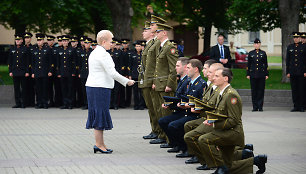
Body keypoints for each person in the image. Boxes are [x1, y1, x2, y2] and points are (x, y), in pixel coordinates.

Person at [85, 30, 135, 154]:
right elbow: (112, 73)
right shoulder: (103, 54)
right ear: (104, 41)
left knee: (99, 114)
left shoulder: (95, 52)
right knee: (99, 114)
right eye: (111, 41)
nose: (112, 44)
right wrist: (127, 82)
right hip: (99, 88)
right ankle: (98, 144)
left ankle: (101, 144)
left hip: (95, 87)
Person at [199, 68, 244, 174]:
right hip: (226, 129)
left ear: (225, 78)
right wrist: (211, 119)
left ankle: (220, 167)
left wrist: (214, 124)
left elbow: (233, 120)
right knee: (230, 165)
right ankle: (255, 161)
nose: (213, 78)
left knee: (204, 140)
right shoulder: (222, 93)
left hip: (233, 132)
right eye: (214, 76)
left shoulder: (231, 95)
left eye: (217, 76)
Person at [159, 59, 206, 156]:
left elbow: (200, 102)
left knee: (174, 125)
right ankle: (179, 145)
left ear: (196, 69)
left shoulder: (200, 84)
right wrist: (171, 105)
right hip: (186, 111)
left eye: (188, 68)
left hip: (193, 114)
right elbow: (183, 99)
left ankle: (186, 148)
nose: (186, 69)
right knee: (164, 121)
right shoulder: (190, 82)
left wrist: (186, 105)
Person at [150, 22, 178, 144]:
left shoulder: (170, 47)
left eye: (158, 32)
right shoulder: (161, 46)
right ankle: (163, 136)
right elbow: (158, 68)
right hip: (160, 84)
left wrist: (170, 85)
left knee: (166, 112)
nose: (155, 34)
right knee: (160, 111)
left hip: (166, 85)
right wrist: (156, 82)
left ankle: (169, 139)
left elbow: (173, 69)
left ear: (164, 33)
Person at [139, 21, 159, 139]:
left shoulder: (155, 44)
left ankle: (158, 131)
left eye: (146, 30)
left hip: (151, 80)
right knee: (150, 108)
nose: (143, 32)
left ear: (152, 34)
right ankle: (154, 129)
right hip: (145, 79)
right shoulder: (149, 44)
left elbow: (156, 65)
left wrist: (153, 81)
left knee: (154, 108)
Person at [30, 33, 52, 109]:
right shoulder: (34, 49)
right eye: (38, 40)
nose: (39, 42)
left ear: (43, 40)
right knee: (38, 88)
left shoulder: (47, 49)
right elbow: (32, 62)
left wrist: (50, 71)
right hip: (37, 72)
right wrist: (32, 72)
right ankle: (39, 103)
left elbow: (50, 62)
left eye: (40, 40)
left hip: (45, 72)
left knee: (45, 88)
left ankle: (45, 102)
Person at [247, 38, 269, 112]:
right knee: (254, 91)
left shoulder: (263, 53)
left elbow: (265, 64)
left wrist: (266, 74)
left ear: (260, 45)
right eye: (255, 44)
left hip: (261, 74)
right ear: (254, 45)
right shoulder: (251, 53)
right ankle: (255, 107)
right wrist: (248, 74)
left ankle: (260, 106)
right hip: (253, 74)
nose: (257, 45)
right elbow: (248, 65)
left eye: (258, 44)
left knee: (261, 91)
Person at [8, 34, 29, 108]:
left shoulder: (25, 49)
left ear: (22, 41)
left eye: (19, 40)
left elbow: (27, 62)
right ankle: (17, 103)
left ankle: (23, 103)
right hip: (15, 71)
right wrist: (10, 71)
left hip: (23, 72)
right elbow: (10, 62)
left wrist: (27, 71)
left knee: (24, 88)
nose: (17, 41)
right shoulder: (12, 49)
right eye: (16, 40)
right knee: (16, 88)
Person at [286, 32, 305, 112]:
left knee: (301, 89)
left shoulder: (303, 47)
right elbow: (288, 60)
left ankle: (301, 106)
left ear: (299, 38)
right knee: (294, 90)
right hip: (293, 72)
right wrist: (288, 72)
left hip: (301, 72)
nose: (296, 39)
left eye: (297, 38)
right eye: (294, 37)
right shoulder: (290, 47)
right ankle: (295, 106)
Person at [56, 35, 77, 109]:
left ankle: (70, 103)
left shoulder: (72, 50)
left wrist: (74, 72)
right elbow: (58, 63)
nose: (64, 42)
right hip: (62, 72)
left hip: (70, 72)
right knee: (63, 88)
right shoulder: (59, 50)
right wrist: (58, 72)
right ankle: (65, 103)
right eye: (63, 41)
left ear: (68, 42)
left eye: (66, 41)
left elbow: (74, 62)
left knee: (70, 88)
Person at [130, 41, 145, 110]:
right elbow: (130, 65)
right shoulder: (132, 54)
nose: (138, 48)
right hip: (135, 75)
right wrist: (130, 75)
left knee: (141, 90)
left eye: (139, 46)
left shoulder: (144, 54)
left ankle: (141, 104)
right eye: (137, 46)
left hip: (142, 75)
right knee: (135, 90)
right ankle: (136, 105)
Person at [78, 38, 93, 110]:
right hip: (83, 73)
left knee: (90, 90)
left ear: (90, 44)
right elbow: (79, 63)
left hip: (90, 74)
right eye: (85, 43)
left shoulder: (92, 52)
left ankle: (91, 104)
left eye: (88, 43)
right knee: (84, 90)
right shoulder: (81, 52)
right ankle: (85, 103)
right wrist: (80, 72)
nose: (86, 44)